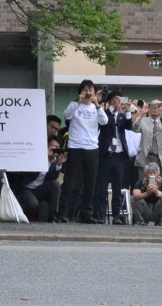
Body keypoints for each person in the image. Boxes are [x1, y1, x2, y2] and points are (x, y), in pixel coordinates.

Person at [57, 79, 108, 223]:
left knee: (90, 183)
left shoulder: (96, 108)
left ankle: (86, 213)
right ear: (80, 92)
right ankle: (63, 212)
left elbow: (104, 122)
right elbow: (66, 115)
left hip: (92, 148)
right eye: (85, 90)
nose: (87, 93)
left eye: (90, 90)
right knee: (70, 182)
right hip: (75, 147)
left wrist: (97, 105)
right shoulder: (74, 105)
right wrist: (78, 102)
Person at [93, 91, 133, 225]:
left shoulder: (122, 117)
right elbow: (104, 123)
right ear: (110, 101)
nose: (118, 102)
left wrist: (127, 111)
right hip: (106, 155)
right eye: (115, 99)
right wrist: (110, 109)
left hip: (119, 156)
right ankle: (102, 215)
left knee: (118, 187)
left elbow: (128, 126)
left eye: (119, 99)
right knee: (102, 187)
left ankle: (117, 216)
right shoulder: (105, 114)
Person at [8, 135, 66, 222]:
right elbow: (29, 173)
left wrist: (58, 164)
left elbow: (52, 178)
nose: (54, 149)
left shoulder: (54, 162)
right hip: (26, 188)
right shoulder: (35, 157)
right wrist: (43, 157)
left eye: (57, 148)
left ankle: (52, 215)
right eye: (52, 146)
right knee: (33, 204)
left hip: (39, 189)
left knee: (56, 184)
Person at [132, 99, 162, 180]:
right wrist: (142, 114)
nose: (155, 108)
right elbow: (135, 128)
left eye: (158, 106)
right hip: (146, 156)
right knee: (143, 183)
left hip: (161, 158)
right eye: (153, 106)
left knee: (160, 184)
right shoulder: (143, 120)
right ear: (149, 108)